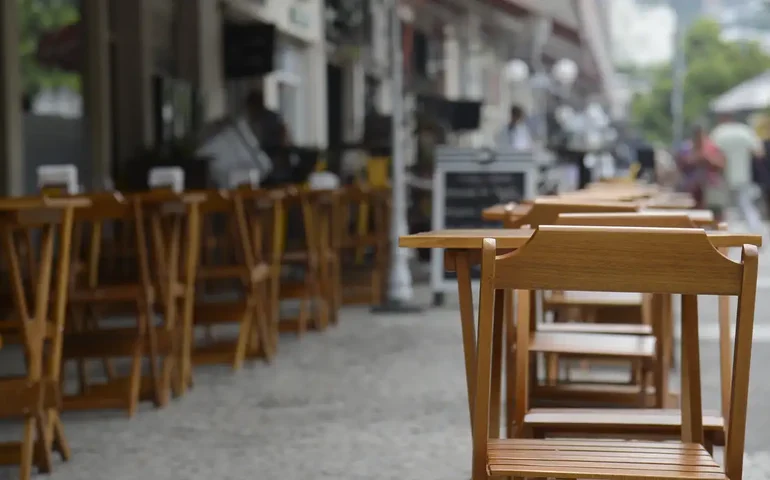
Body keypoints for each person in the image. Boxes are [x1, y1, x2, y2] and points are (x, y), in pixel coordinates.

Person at [710, 113, 766, 233]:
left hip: (724, 176)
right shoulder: (744, 131)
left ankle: (725, 235)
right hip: (743, 175)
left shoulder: (719, 132)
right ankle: (756, 232)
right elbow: (759, 152)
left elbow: (711, 153)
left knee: (726, 209)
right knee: (746, 205)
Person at [676, 125, 726, 219]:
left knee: (716, 215)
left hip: (711, 187)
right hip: (691, 189)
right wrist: (693, 159)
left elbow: (721, 165)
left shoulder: (712, 147)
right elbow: (680, 165)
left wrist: (707, 159)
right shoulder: (686, 148)